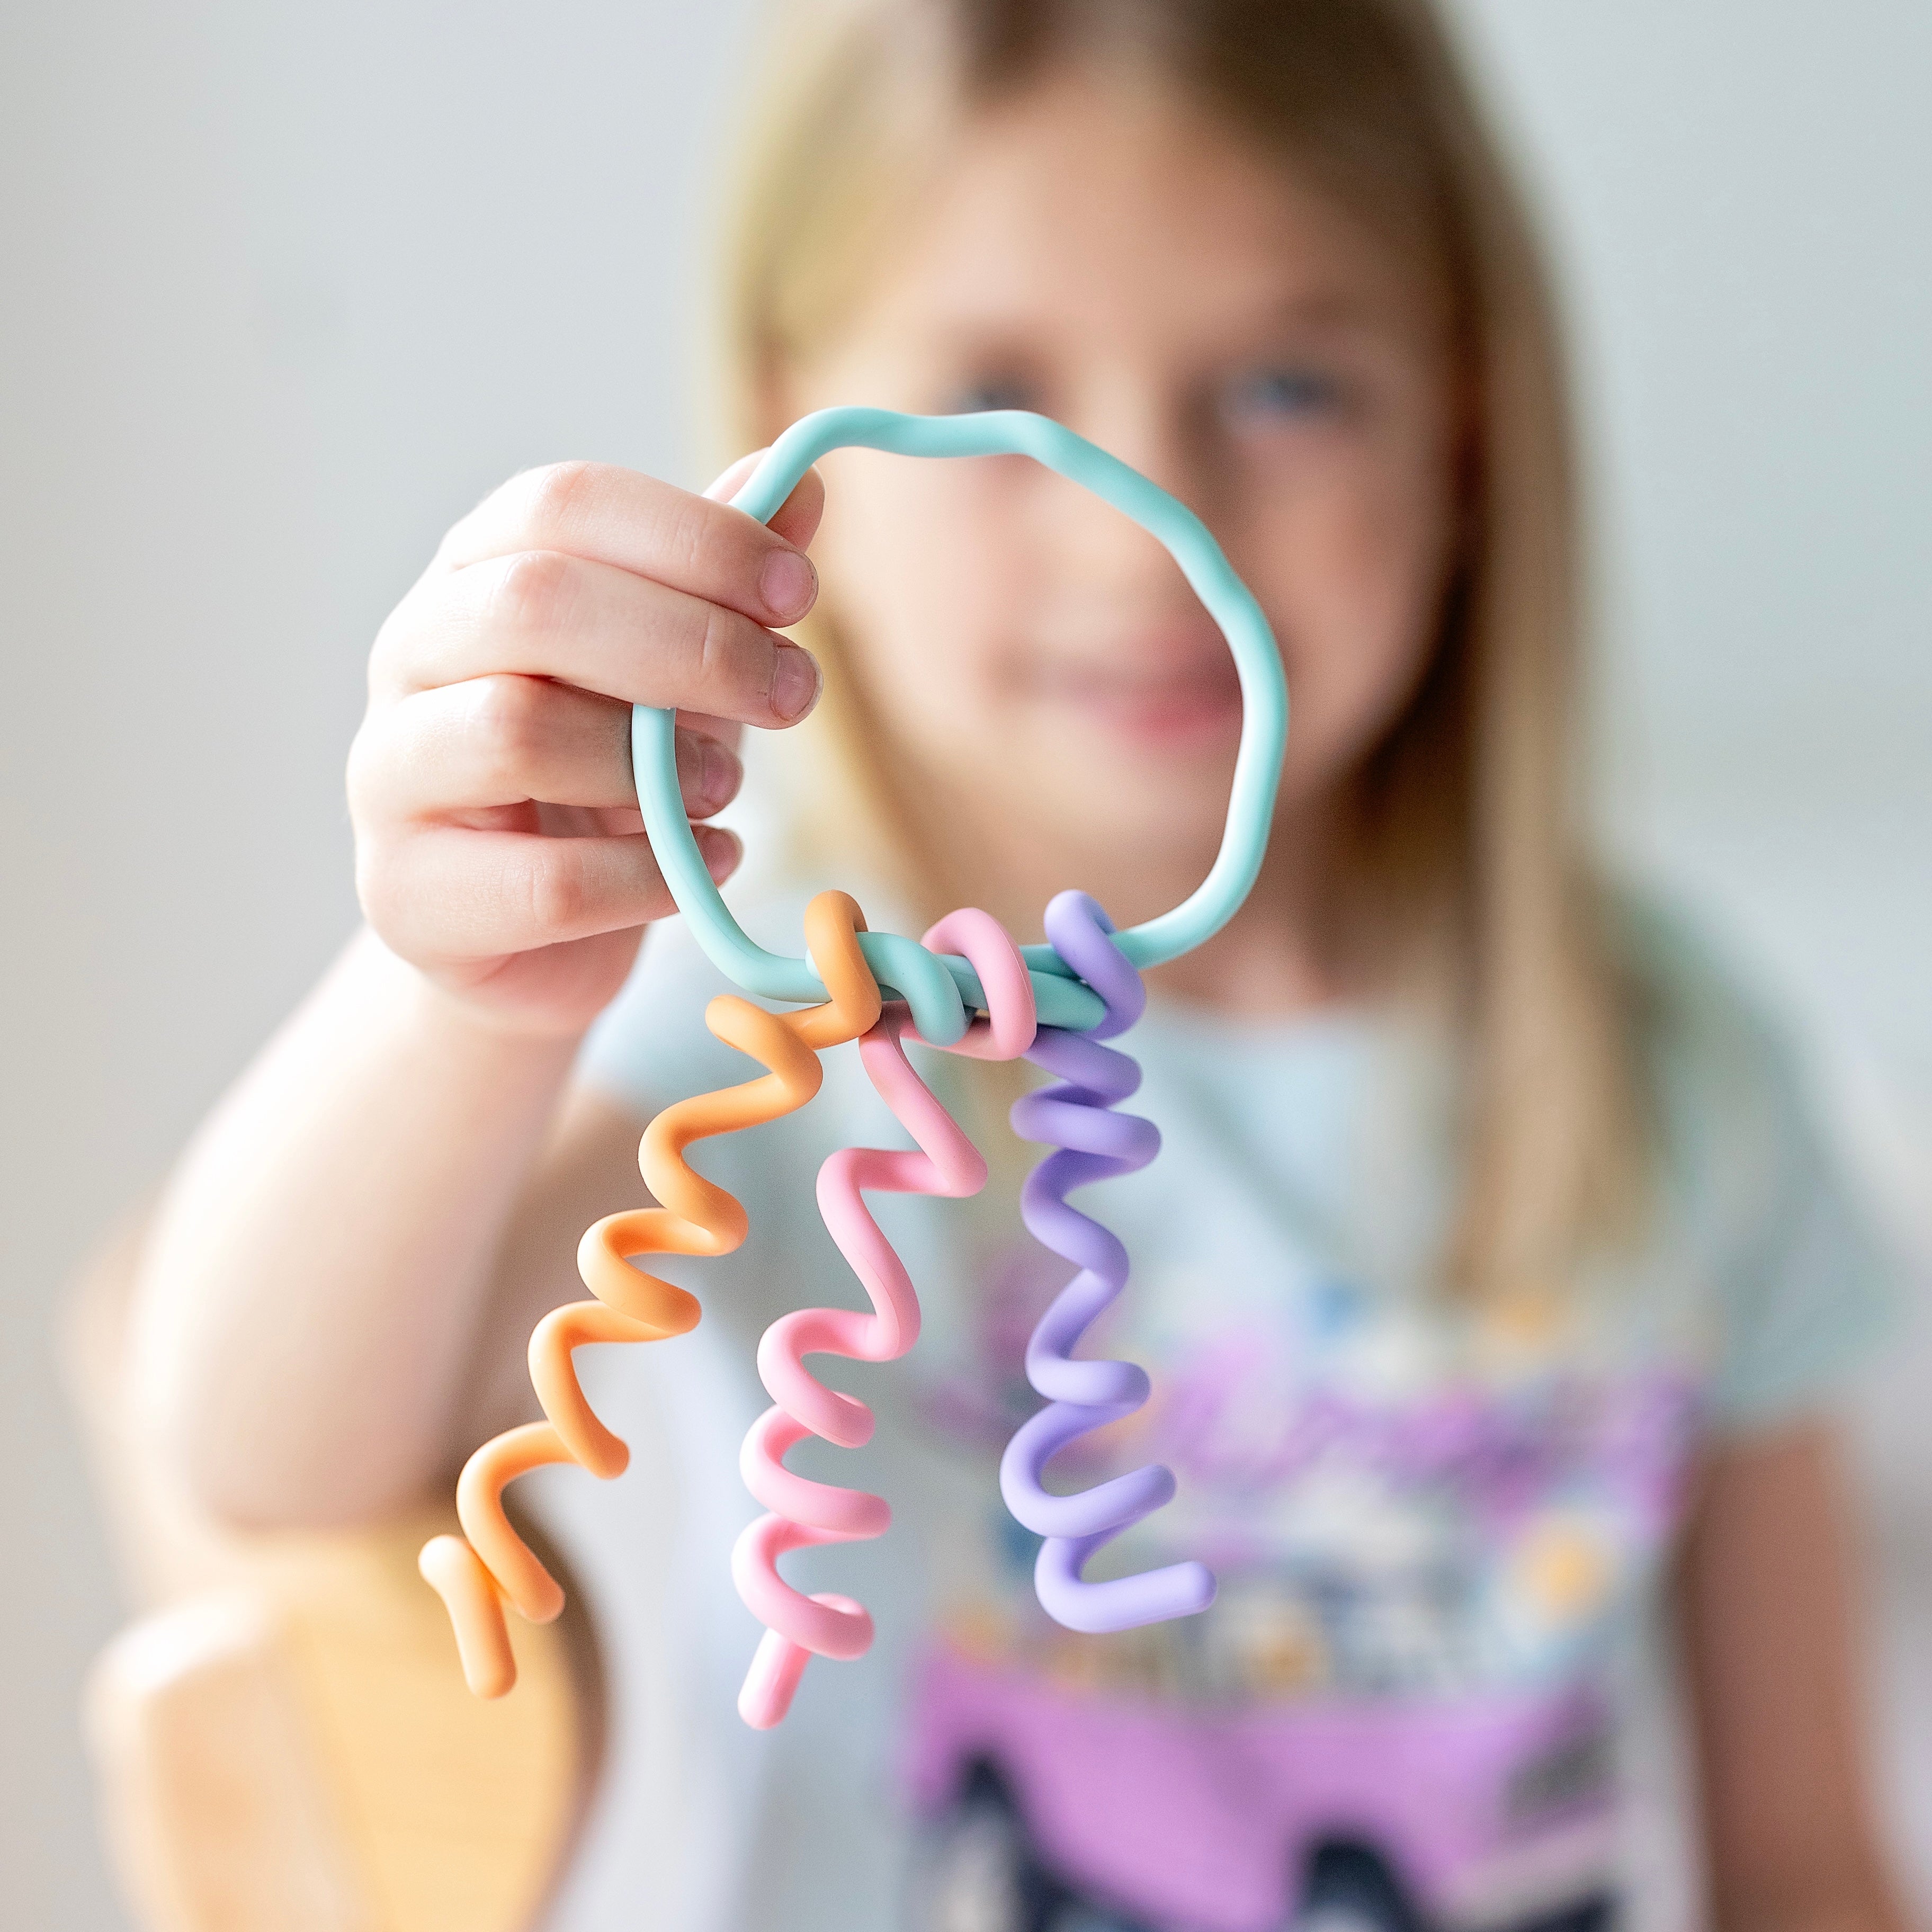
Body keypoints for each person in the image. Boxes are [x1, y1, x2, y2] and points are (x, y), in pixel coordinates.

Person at [128, 1, 1912, 1927]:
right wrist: (458, 993)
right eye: (996, 397)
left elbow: (1807, 1857)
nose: (1143, 532)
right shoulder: (786, 1013)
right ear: (795, 451)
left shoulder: (1682, 1086)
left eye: (1291, 389)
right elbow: (259, 1456)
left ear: (1466, 432)